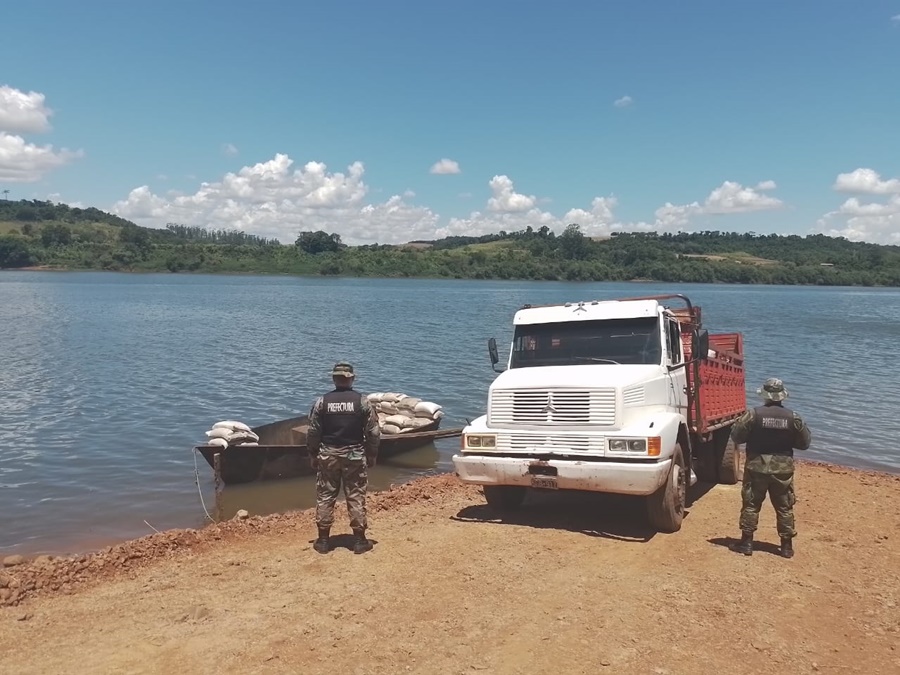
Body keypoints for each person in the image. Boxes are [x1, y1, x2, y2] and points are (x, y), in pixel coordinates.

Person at [729, 377, 811, 558]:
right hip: (782, 469)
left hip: (756, 466)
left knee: (751, 504)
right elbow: (804, 443)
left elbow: (736, 437)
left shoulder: (753, 415)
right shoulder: (793, 417)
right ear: (782, 396)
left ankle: (747, 542)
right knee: (784, 507)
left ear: (765, 395)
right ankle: (786, 547)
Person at [306, 361, 381, 555]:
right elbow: (373, 432)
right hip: (355, 455)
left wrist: (313, 454)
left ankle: (323, 541)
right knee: (355, 496)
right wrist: (372, 455)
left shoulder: (321, 402)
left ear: (334, 378)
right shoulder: (362, 402)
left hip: (328, 454)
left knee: (325, 496)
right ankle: (359, 541)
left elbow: (313, 432)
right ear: (352, 379)